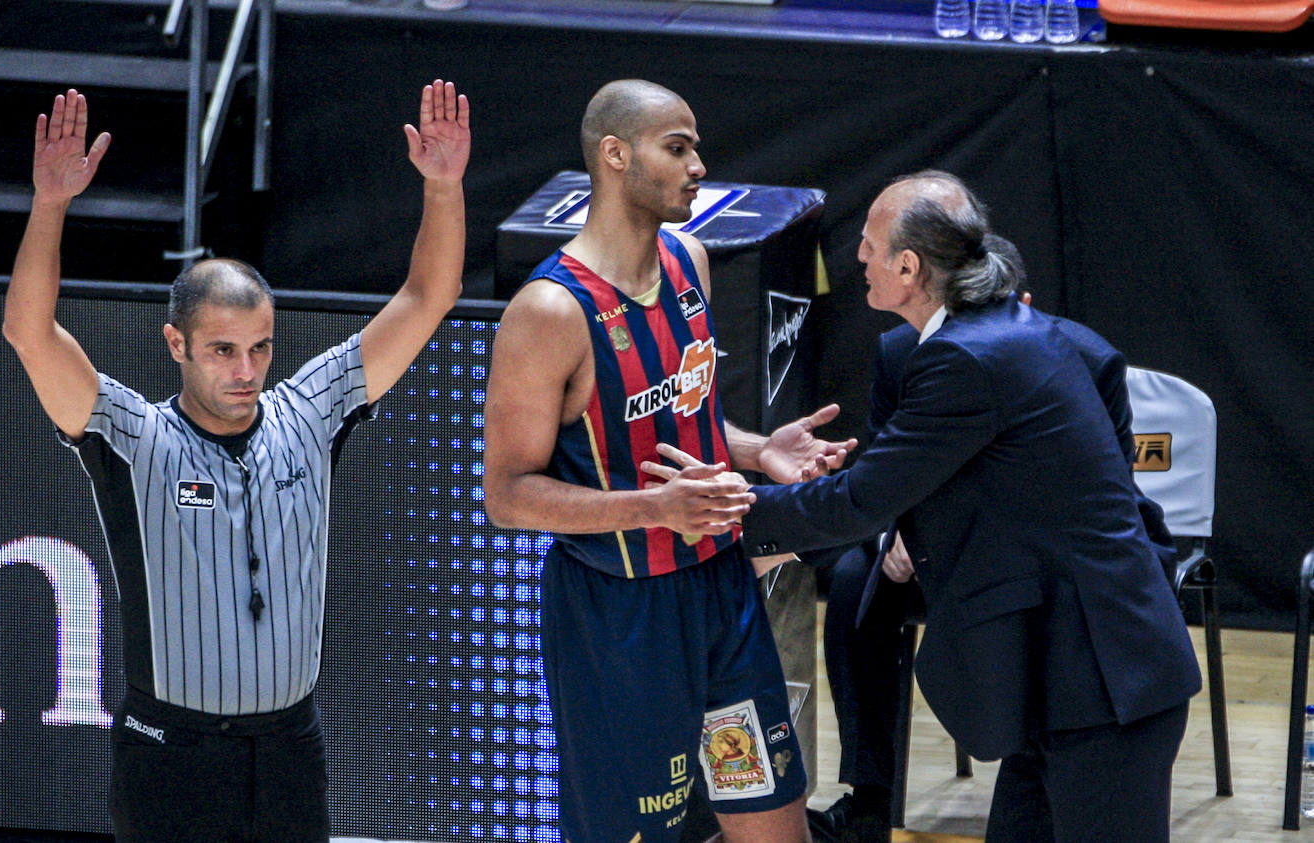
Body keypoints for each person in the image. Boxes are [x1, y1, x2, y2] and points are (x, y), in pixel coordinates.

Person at [653, 171, 1202, 842]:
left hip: (1104, 686)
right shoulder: (998, 333)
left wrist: (718, 512)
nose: (857, 258)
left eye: (869, 245)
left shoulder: (969, 359)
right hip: (1065, 684)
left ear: (908, 266)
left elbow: (861, 499)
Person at [1, 82, 469, 841]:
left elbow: (429, 294)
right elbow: (28, 330)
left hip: (288, 747)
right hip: (170, 751)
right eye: (222, 349)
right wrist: (50, 203)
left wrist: (443, 187)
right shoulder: (135, 435)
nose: (245, 369)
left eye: (260, 348)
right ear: (176, 344)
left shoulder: (310, 413)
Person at [481, 79, 854, 843]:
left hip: (720, 591)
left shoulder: (690, 261)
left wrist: (757, 449)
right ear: (615, 156)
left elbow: (685, 418)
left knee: (775, 823)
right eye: (677, 148)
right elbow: (508, 496)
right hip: (619, 613)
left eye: (695, 148)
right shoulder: (548, 311)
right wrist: (652, 510)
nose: (697, 167)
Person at [808, 236, 1183, 843]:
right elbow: (882, 477)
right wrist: (896, 530)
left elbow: (1110, 502)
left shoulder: (1077, 355)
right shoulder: (907, 353)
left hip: (1089, 630)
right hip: (991, 599)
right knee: (859, 581)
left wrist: (743, 521)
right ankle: (871, 792)